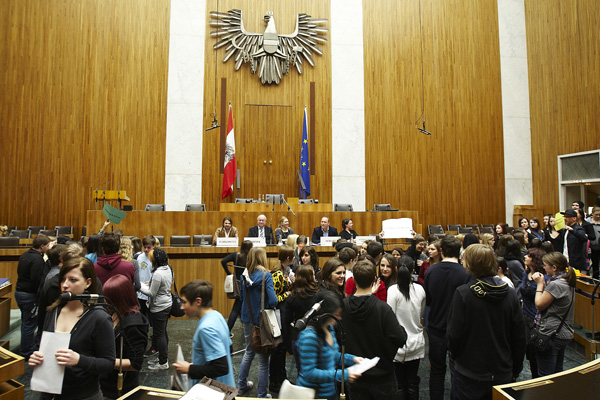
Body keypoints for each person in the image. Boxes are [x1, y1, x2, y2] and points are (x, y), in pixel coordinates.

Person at [29, 256, 116, 400]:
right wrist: (37, 357)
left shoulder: (99, 317)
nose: (65, 285)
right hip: (48, 391)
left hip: (82, 395)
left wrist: (79, 360)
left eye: (73, 280)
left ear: (88, 283)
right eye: (63, 279)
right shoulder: (53, 310)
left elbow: (108, 363)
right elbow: (44, 346)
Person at [447, 244, 526, 399]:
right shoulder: (510, 294)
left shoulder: (463, 293)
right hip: (502, 370)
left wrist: (457, 360)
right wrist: (515, 369)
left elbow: (453, 336)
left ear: (470, 264)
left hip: (470, 372)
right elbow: (519, 336)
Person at [342, 260, 407, 399]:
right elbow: (400, 338)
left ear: (353, 280)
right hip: (382, 375)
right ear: (374, 280)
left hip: (355, 374)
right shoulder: (382, 308)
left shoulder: (342, 307)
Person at [423, 235, 469, 400]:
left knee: (436, 370)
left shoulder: (431, 271)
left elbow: (428, 300)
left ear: (441, 251)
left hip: (436, 326)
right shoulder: (465, 273)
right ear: (459, 251)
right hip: (459, 328)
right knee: (458, 370)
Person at [297, 290, 362, 400]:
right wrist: (343, 375)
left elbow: (332, 355)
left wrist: (353, 359)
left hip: (329, 392)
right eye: (336, 315)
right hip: (314, 395)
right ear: (325, 314)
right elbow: (309, 373)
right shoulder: (309, 337)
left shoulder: (329, 328)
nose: (339, 318)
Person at [173, 280, 235, 387]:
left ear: (198, 301)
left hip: (214, 392)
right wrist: (200, 365)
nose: (182, 307)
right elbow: (229, 349)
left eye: (184, 302)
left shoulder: (206, 329)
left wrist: (189, 369)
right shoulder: (217, 316)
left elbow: (221, 368)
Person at [100, 275, 149, 399]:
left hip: (122, 388)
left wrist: (104, 362)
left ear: (118, 299)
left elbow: (135, 363)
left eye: (108, 298)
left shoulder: (134, 325)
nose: (105, 301)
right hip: (107, 382)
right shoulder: (115, 313)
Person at [238, 247, 278, 398]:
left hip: (247, 317)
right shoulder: (266, 276)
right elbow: (273, 300)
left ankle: (241, 385)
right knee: (263, 359)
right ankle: (262, 395)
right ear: (262, 258)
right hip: (262, 320)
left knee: (249, 351)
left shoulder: (244, 275)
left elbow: (242, 297)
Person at [532, 252, 576, 377]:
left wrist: (540, 284)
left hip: (551, 334)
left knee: (545, 376)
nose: (544, 268)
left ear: (554, 267)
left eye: (545, 265)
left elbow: (539, 304)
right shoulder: (567, 281)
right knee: (557, 373)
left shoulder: (556, 284)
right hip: (562, 332)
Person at [388, 262, 426, 400]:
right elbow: (421, 314)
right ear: (413, 271)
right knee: (412, 381)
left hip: (397, 345)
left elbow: (390, 318)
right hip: (416, 343)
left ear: (396, 269)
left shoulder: (392, 290)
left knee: (399, 383)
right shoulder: (420, 289)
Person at [16, 233, 51, 358]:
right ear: (42, 246)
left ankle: (25, 348)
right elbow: (37, 280)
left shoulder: (25, 254)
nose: (49, 248)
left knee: (26, 323)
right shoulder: (38, 260)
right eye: (48, 245)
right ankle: (26, 352)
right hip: (29, 295)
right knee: (29, 325)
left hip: (19, 292)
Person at [140, 248, 173, 370]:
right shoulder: (168, 268)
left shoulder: (158, 273)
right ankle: (162, 358)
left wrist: (139, 286)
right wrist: (151, 283)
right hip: (167, 304)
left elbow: (151, 293)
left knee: (159, 335)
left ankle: (163, 362)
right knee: (163, 332)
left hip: (158, 307)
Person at [517, 248, 547, 378]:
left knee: (535, 352)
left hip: (536, 316)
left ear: (534, 260)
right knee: (528, 350)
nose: (525, 257)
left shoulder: (542, 277)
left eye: (528, 256)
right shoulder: (527, 273)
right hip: (525, 315)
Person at [284, 264, 320, 372]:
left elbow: (287, 320)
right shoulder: (319, 296)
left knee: (301, 371)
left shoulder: (292, 298)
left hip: (298, 337)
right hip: (316, 337)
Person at [269, 246, 294, 392]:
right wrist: (287, 294)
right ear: (288, 258)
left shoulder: (285, 272)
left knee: (282, 348)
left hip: (283, 314)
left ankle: (282, 377)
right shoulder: (277, 274)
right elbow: (274, 298)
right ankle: (274, 381)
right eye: (292, 256)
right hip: (278, 314)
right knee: (278, 349)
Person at [220, 240, 253, 331]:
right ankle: (228, 330)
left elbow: (223, 261)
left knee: (238, 307)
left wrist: (228, 273)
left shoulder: (236, 255)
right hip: (249, 283)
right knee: (241, 307)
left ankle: (230, 329)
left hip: (238, 284)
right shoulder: (252, 257)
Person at [137, 235, 157, 321]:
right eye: (144, 247)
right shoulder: (139, 257)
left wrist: (151, 282)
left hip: (151, 292)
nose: (146, 250)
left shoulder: (156, 259)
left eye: (148, 247)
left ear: (154, 246)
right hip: (140, 292)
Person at [586, 206, 600, 278]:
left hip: (599, 245)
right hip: (590, 247)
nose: (598, 216)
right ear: (592, 213)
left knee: (597, 264)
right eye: (596, 214)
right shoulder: (588, 221)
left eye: (599, 215)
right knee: (591, 264)